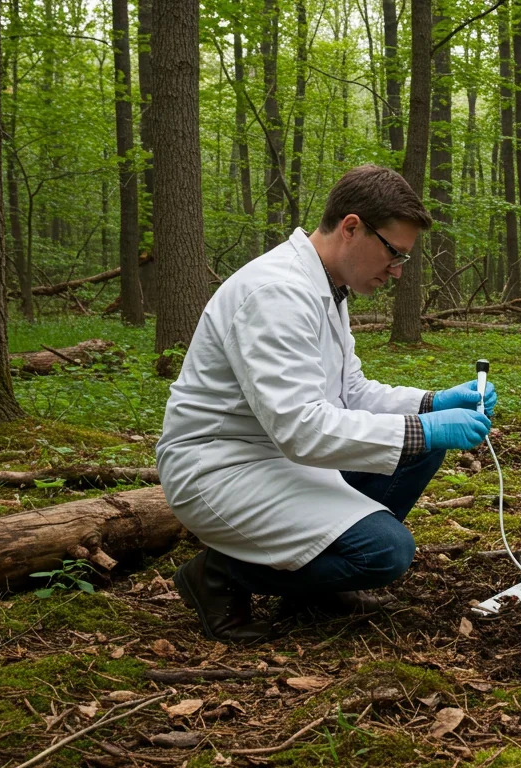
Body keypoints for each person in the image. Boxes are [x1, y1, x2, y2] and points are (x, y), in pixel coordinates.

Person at [156, 165, 497, 642]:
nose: (397, 271)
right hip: (220, 467)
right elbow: (300, 428)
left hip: (277, 459)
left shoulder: (325, 289)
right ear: (352, 227)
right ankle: (220, 573)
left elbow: (349, 392)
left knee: (419, 446)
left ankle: (315, 578)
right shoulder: (277, 292)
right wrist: (427, 427)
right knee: (385, 554)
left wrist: (431, 403)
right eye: (394, 253)